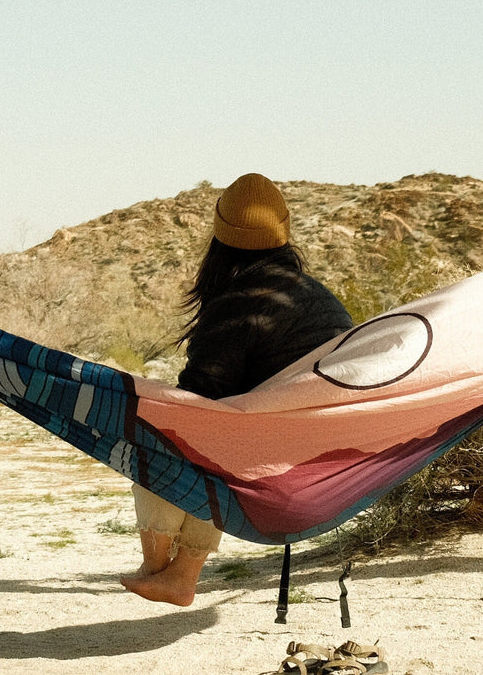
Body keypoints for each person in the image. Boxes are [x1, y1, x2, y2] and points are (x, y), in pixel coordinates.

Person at [120, 173, 354, 606]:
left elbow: (200, 397)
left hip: (274, 454)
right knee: (212, 437)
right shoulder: (316, 295)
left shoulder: (239, 301)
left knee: (157, 437)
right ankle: (178, 574)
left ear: (219, 240)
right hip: (329, 448)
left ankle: (160, 570)